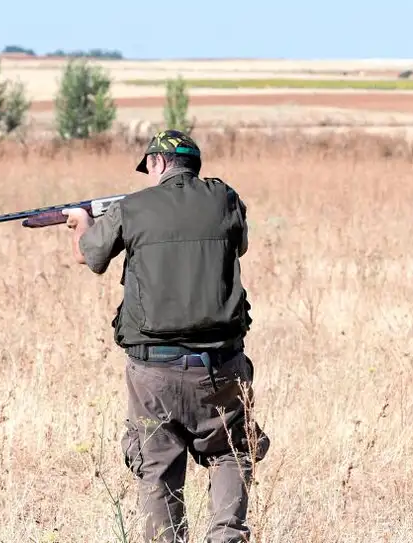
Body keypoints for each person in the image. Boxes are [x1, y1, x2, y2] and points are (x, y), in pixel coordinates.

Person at [63, 130, 270, 543]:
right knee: (231, 450)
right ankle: (227, 536)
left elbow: (90, 257)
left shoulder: (131, 207)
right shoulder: (225, 199)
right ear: (194, 165)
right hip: (220, 365)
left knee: (157, 464)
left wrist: (82, 224)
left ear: (156, 164)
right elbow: (240, 244)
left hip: (152, 368)